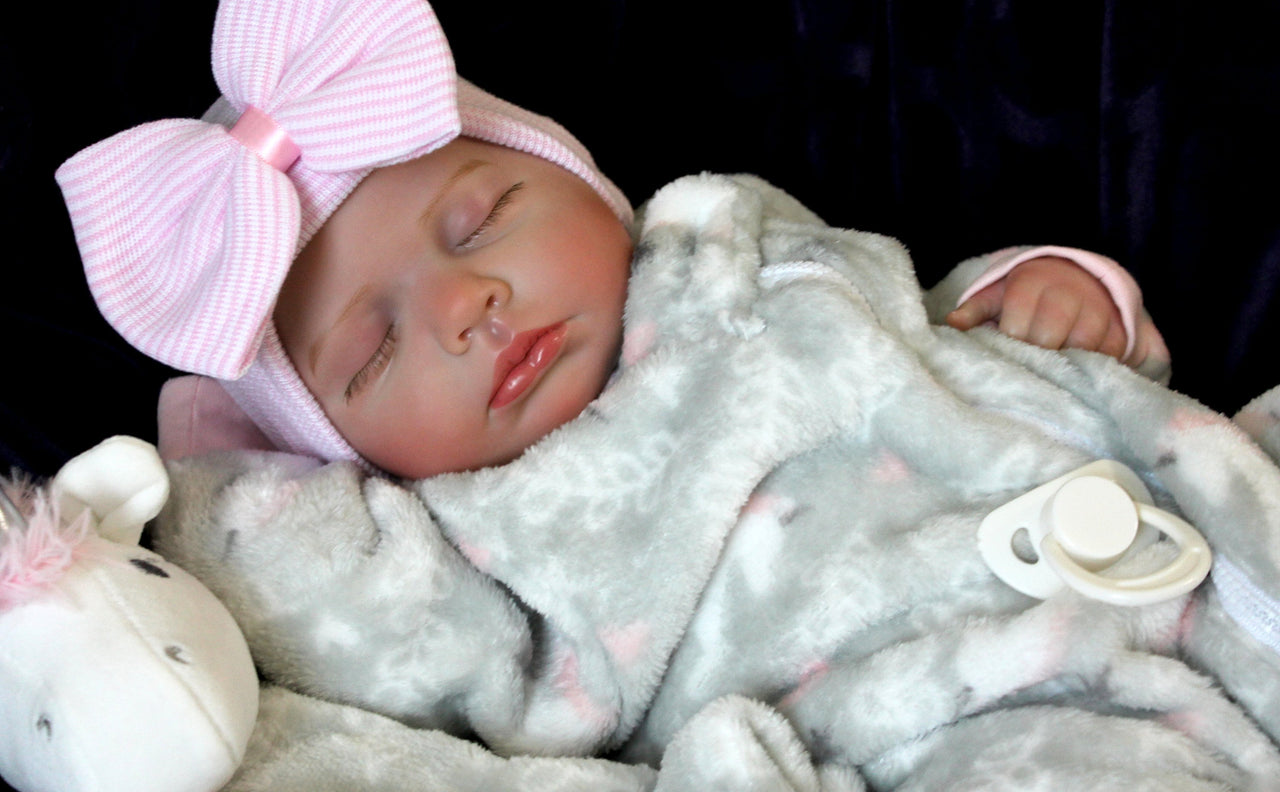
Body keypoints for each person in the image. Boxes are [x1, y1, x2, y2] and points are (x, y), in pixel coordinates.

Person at [57, 0, 1166, 481]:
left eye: (482, 216)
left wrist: (1051, 292)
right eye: (371, 354)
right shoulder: (451, 551)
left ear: (577, 177)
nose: (463, 303)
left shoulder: (725, 240)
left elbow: (918, 321)